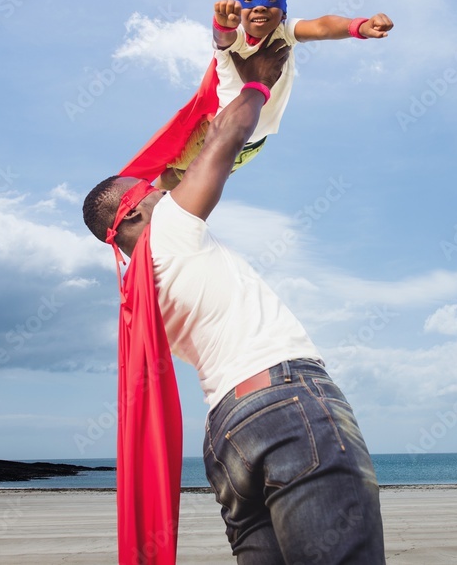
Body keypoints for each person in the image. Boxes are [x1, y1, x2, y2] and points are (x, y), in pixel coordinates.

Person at [83, 37, 386, 564]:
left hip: (227, 438)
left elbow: (181, 168)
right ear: (131, 215)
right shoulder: (167, 232)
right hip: (284, 402)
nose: (164, 189)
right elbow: (224, 140)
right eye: (151, 191)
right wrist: (258, 81)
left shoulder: (139, 294)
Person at [158, 0, 393, 189]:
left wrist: (360, 27)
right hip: (217, 131)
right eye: (249, 0)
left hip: (251, 144)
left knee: (196, 183)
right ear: (238, 8)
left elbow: (322, 26)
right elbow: (223, 39)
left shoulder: (286, 32)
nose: (260, 7)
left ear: (284, 10)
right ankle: (144, 199)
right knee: (173, 178)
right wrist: (223, 26)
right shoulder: (237, 37)